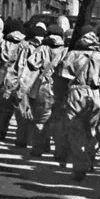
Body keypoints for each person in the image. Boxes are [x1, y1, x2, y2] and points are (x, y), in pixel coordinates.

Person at [53, 26, 100, 181]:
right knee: (92, 131)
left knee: (76, 131)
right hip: (94, 95)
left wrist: (59, 99)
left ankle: (79, 165)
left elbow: (59, 80)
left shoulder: (71, 56)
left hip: (74, 94)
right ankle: (89, 159)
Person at [26, 25, 68, 157]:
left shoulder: (42, 48)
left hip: (44, 86)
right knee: (58, 119)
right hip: (60, 87)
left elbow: (32, 63)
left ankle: (39, 147)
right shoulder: (66, 50)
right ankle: (59, 151)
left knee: (41, 119)